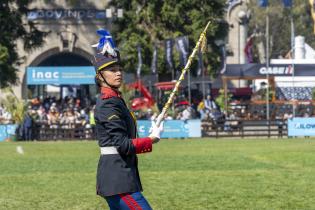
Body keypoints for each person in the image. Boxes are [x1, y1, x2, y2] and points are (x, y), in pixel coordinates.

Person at [92, 29, 164, 210]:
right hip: (118, 180)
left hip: (122, 177)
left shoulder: (116, 100)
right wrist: (152, 139)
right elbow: (123, 145)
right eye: (112, 70)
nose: (118, 73)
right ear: (100, 76)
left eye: (119, 69)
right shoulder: (108, 103)